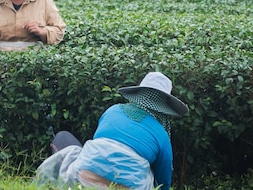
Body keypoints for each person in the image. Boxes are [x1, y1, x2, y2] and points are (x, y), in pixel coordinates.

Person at [34, 72, 189, 190]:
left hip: (84, 177)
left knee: (64, 138)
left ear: (137, 95)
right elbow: (163, 182)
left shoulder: (113, 110)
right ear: (164, 106)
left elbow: (100, 146)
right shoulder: (161, 134)